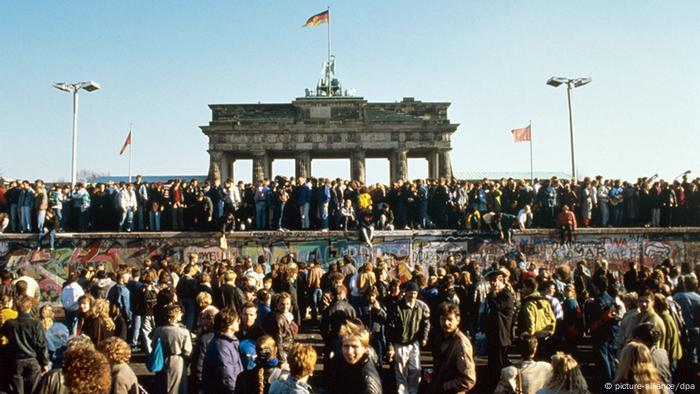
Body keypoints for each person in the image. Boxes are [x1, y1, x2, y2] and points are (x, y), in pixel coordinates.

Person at [385, 281, 431, 394]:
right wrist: (390, 347)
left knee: (416, 369)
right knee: (401, 372)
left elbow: (426, 323)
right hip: (400, 344)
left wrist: (425, 337)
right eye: (410, 293)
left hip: (414, 343)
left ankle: (413, 392)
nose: (413, 296)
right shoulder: (396, 307)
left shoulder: (421, 307)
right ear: (405, 293)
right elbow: (389, 329)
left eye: (415, 293)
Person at [1, 295, 49, 394]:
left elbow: (3, 333)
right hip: (32, 359)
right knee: (34, 390)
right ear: (30, 307)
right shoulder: (36, 324)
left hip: (15, 361)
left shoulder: (10, 324)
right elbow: (41, 344)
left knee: (17, 391)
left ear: (16, 307)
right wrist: (44, 362)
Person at [428, 302, 476, 394]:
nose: (446, 323)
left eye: (450, 319)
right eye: (443, 319)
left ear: (457, 320)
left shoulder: (461, 343)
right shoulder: (441, 338)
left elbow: (468, 380)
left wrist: (445, 386)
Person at [328, 320, 382, 394]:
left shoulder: (368, 380)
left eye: (355, 346)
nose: (349, 351)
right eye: (346, 346)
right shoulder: (339, 362)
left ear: (365, 348)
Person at [483, 267, 515, 388]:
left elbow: (496, 308)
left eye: (496, 281)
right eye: (491, 281)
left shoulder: (506, 295)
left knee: (500, 365)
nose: (493, 284)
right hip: (493, 335)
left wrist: (492, 294)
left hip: (502, 336)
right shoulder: (495, 295)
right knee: (493, 364)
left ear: (502, 280)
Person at [152, 304, 193, 394]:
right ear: (175, 315)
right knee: (178, 387)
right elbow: (188, 351)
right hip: (178, 361)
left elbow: (153, 345)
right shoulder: (184, 332)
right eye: (179, 313)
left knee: (162, 386)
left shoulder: (158, 330)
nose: (181, 314)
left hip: (161, 360)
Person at [202, 308, 244, 394]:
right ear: (229, 324)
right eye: (236, 321)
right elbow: (226, 374)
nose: (239, 323)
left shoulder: (230, 342)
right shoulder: (221, 346)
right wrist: (235, 390)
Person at [262, 292, 295, 362]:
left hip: (286, 349)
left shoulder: (285, 316)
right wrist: (282, 359)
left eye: (287, 304)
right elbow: (278, 340)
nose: (285, 306)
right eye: (282, 304)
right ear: (277, 304)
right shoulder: (278, 319)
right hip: (283, 352)